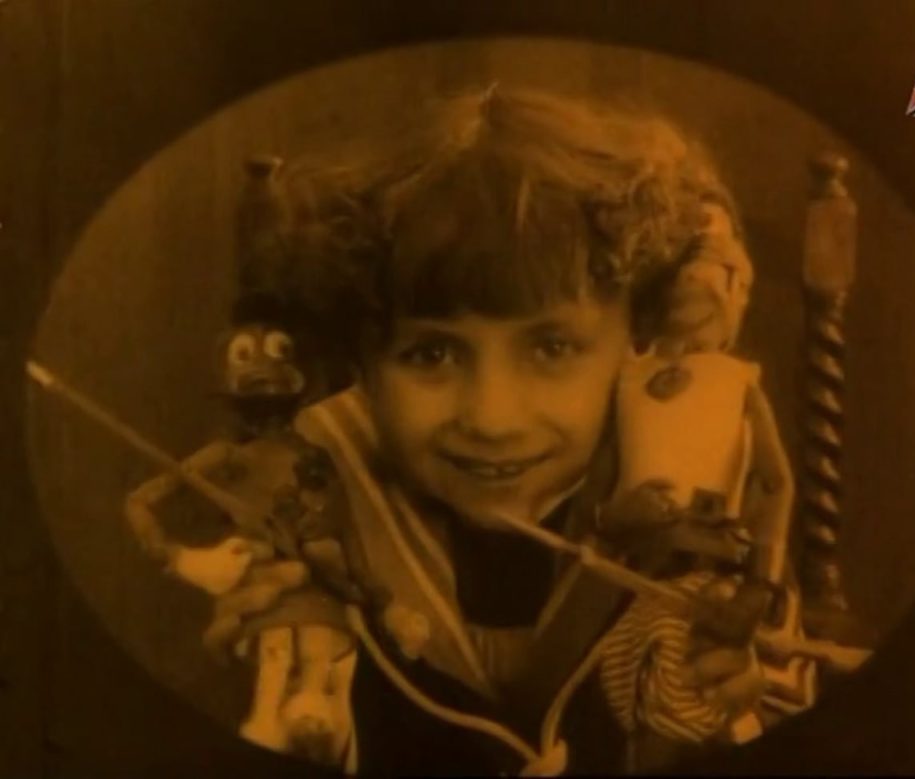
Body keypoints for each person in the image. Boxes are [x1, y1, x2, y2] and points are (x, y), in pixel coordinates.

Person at [176, 85, 818, 775]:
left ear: (638, 338)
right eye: (432, 353)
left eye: (552, 347)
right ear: (360, 359)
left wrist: (728, 696)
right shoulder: (322, 504)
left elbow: (781, 705)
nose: (492, 417)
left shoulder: (689, 493)